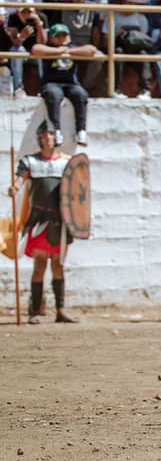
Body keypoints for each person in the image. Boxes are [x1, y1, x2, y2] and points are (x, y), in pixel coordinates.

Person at [8, 122, 76, 323]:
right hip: (39, 220)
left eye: (51, 136)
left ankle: (60, 310)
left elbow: (77, 188)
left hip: (59, 220)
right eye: (45, 136)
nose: (48, 140)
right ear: (39, 139)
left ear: (57, 139)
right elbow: (20, 179)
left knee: (58, 265)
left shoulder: (67, 163)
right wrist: (15, 187)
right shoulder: (31, 162)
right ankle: (36, 311)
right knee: (39, 264)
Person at [32, 24, 95, 146]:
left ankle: (81, 130)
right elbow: (36, 49)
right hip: (51, 83)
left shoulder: (73, 48)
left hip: (70, 83)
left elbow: (91, 50)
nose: (61, 39)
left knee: (81, 94)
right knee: (53, 95)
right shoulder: (48, 48)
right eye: (57, 36)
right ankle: (56, 131)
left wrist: (68, 51)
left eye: (64, 36)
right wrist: (58, 51)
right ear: (51, 38)